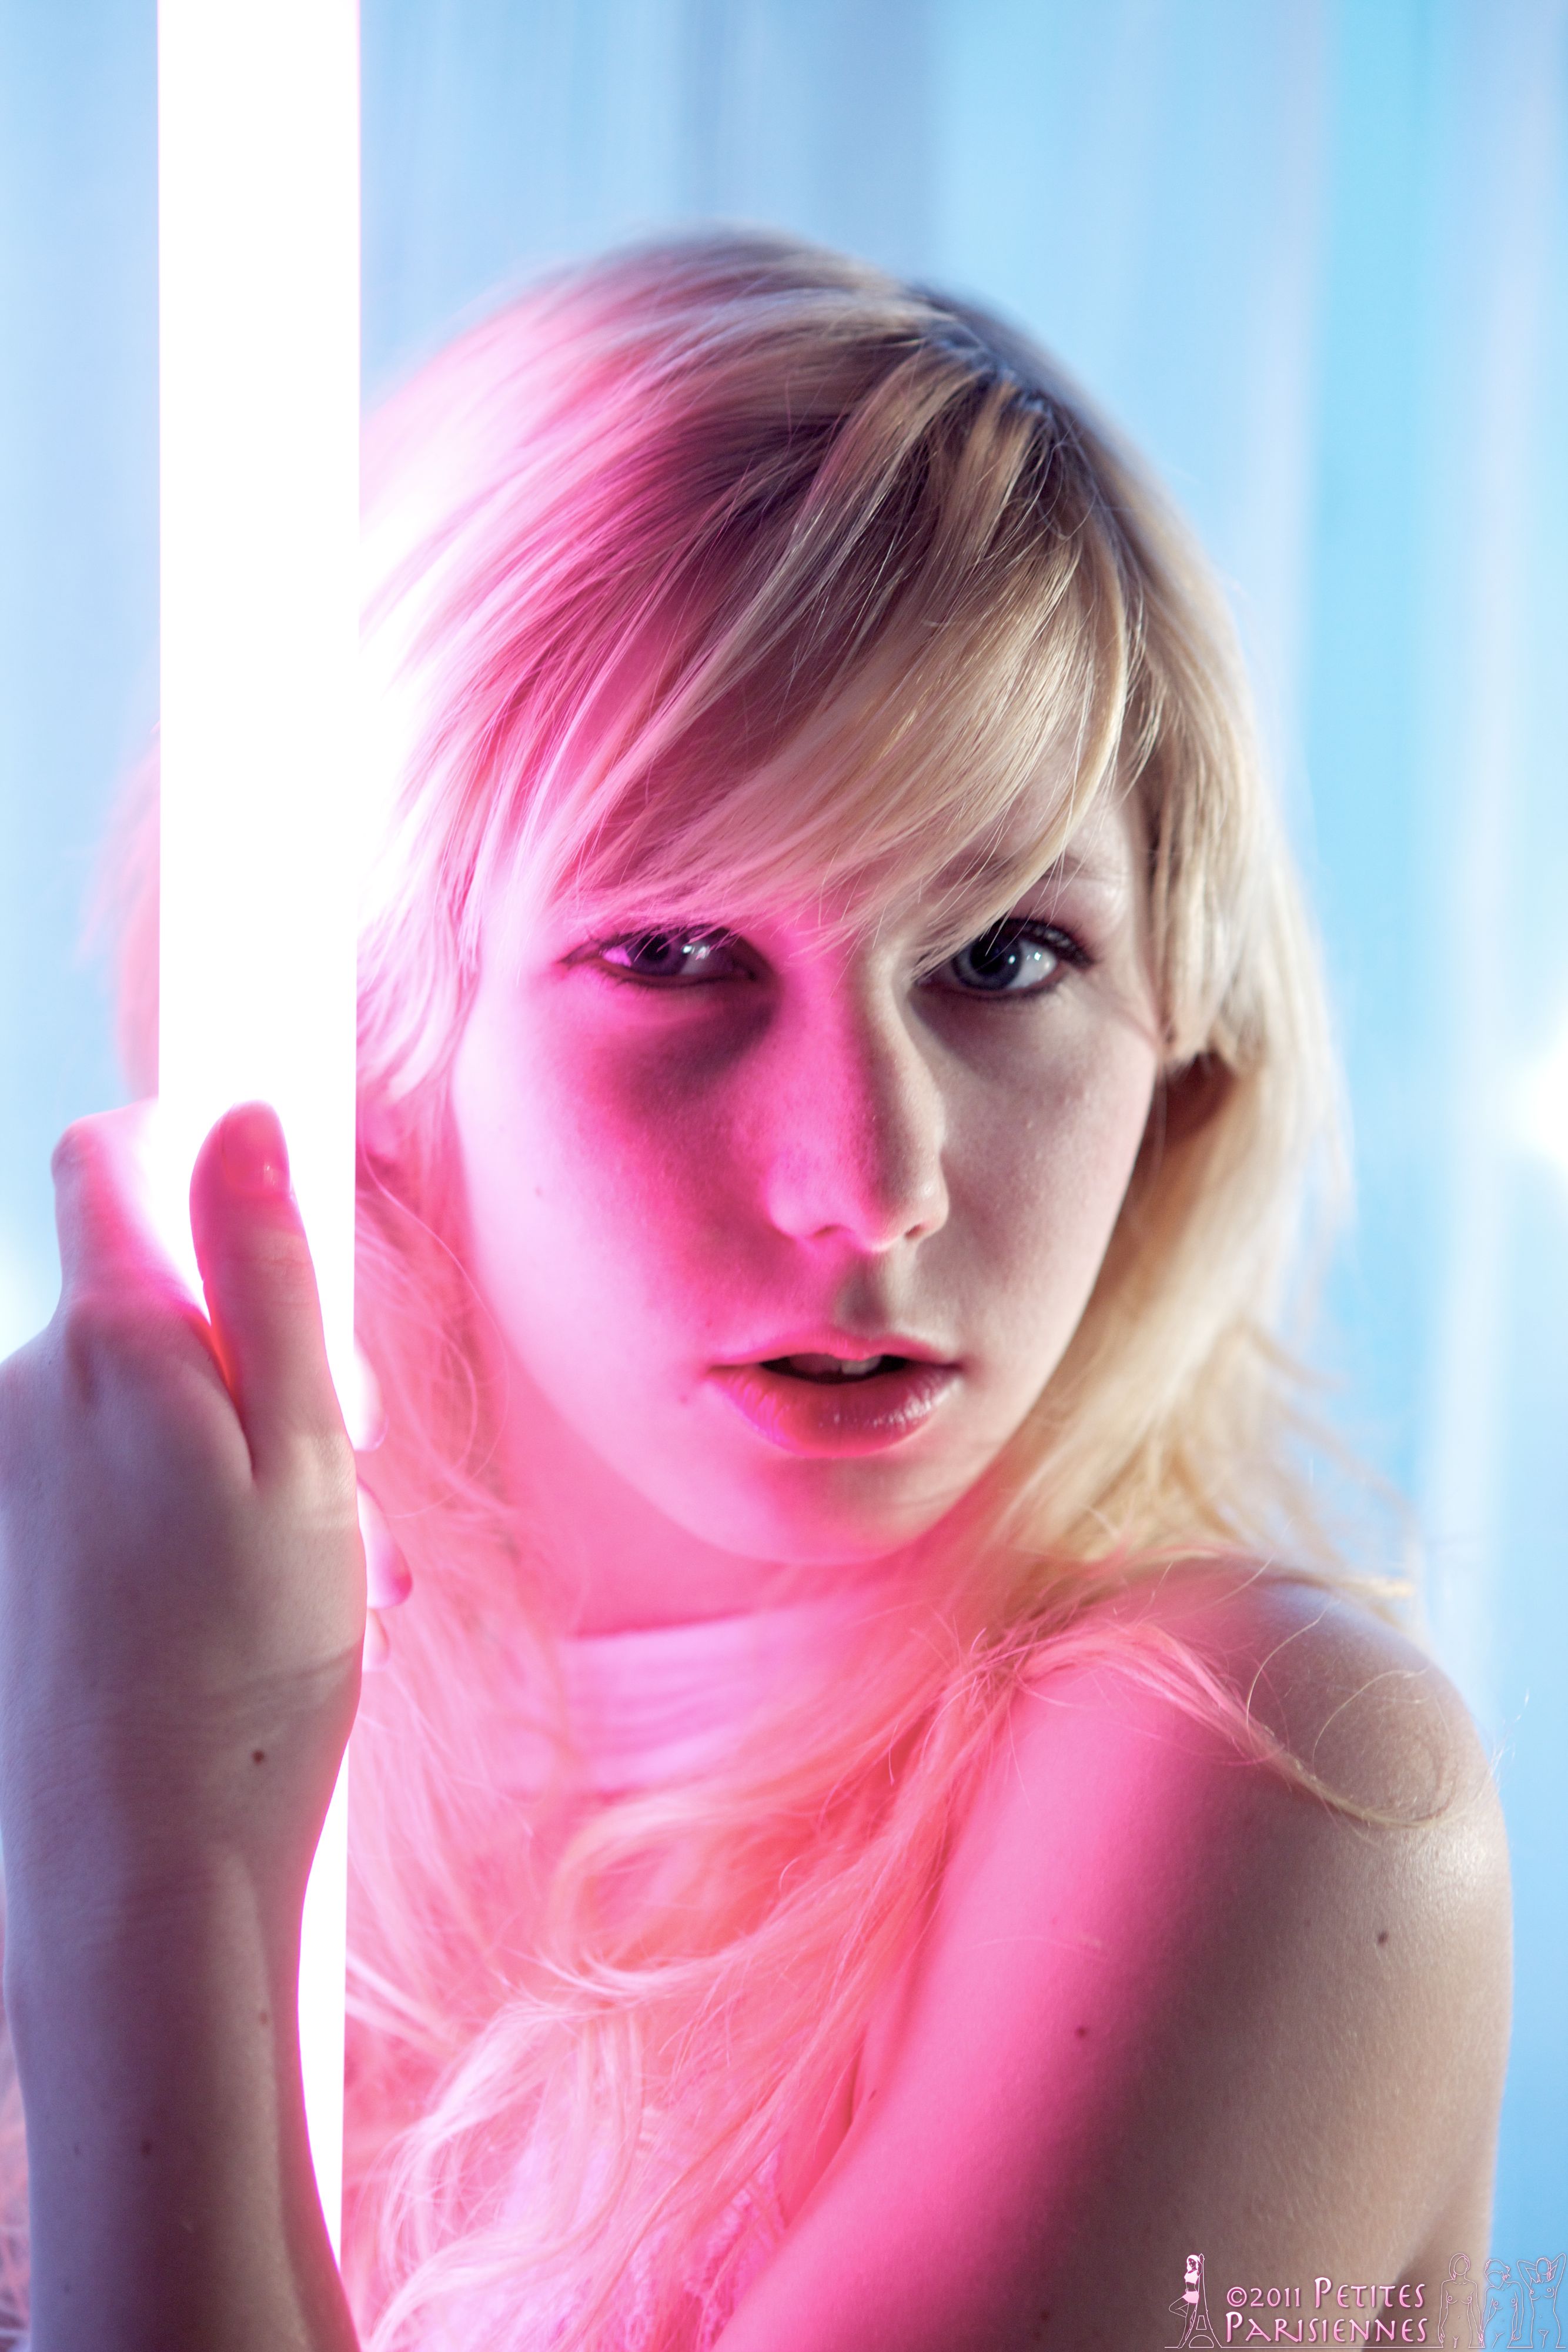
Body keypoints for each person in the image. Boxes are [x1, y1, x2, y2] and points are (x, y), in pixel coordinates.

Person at [0, 233, 1510, 2352]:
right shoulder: (149, 1694)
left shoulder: (1268, 1787)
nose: (869, 1183)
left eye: (1003, 957)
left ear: (1181, 1031)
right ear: (377, 1029)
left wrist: (148, 1865)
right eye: (677, 956)